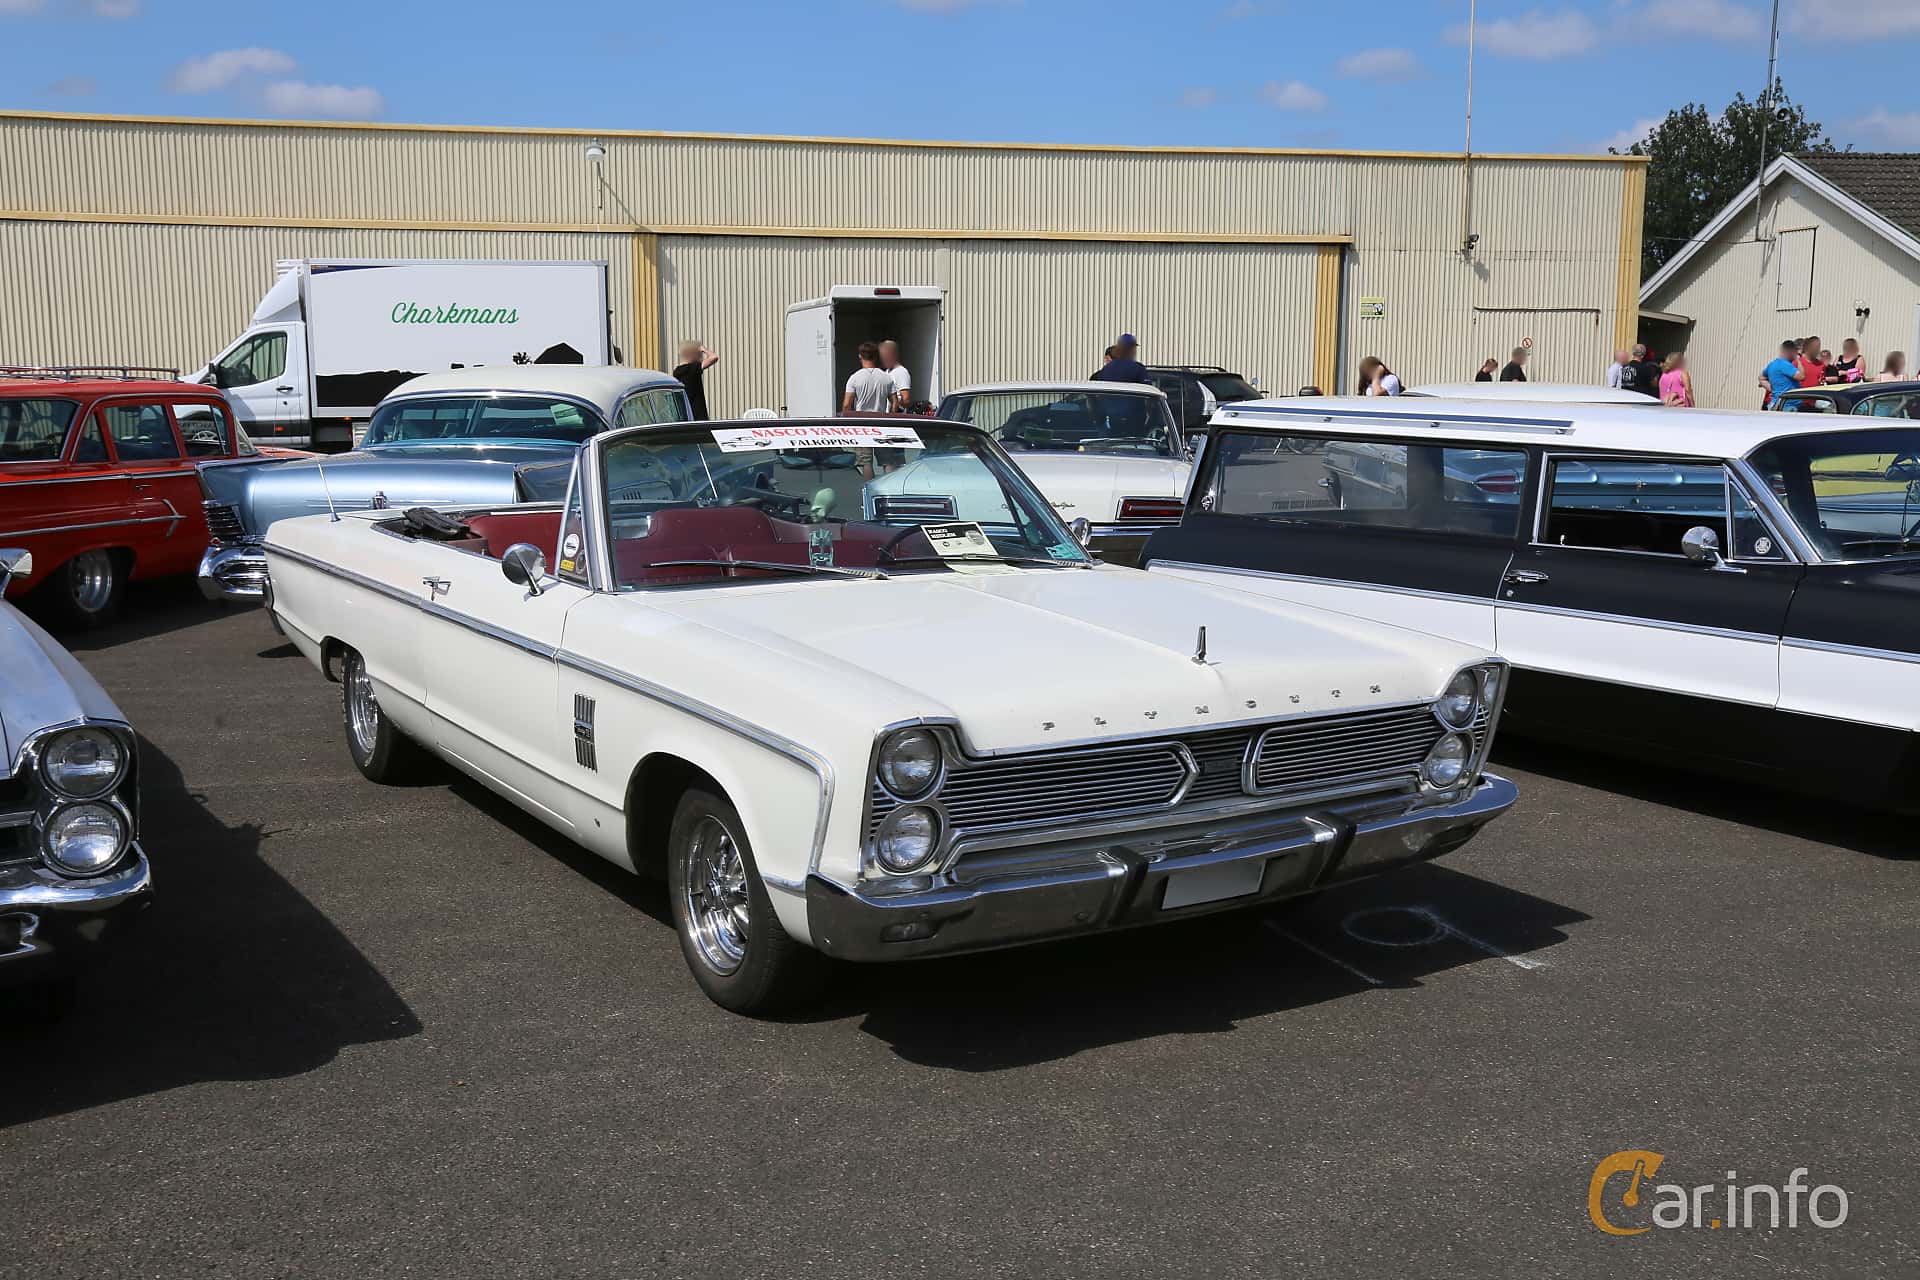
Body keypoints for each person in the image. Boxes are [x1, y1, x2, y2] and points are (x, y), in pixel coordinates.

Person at [841, 342, 895, 414]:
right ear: (876, 357)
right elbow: (895, 403)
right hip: (881, 421)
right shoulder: (887, 378)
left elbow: (846, 405)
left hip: (861, 421)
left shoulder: (854, 378)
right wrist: (889, 419)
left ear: (860, 356)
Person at [671, 340, 719, 421]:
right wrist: (704, 349)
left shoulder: (677, 372)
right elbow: (714, 357)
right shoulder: (693, 369)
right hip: (698, 414)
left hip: (686, 413)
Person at [1762, 340, 1803, 408]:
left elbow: (1761, 378)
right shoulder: (1785, 365)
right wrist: (1799, 360)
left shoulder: (1772, 364)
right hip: (1787, 406)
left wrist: (1774, 389)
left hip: (1776, 403)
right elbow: (1801, 376)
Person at [878, 339, 912, 412]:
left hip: (895, 416)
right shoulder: (887, 372)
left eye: (884, 355)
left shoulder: (901, 372)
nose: (882, 359)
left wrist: (894, 403)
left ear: (891, 354)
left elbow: (906, 400)